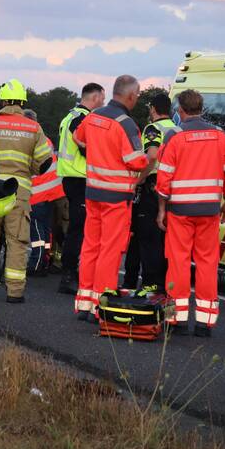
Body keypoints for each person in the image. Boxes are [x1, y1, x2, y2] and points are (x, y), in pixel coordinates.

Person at [156, 89, 225, 336]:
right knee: (207, 263)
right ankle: (205, 323)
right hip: (209, 211)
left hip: (180, 211)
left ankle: (174, 320)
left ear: (180, 110)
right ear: (201, 108)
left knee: (178, 263)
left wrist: (161, 210)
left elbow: (164, 178)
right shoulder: (220, 135)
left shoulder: (175, 135)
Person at [73, 75, 153, 320]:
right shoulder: (126, 124)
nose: (138, 99)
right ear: (130, 95)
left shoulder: (94, 116)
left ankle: (84, 303)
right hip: (116, 196)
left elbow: (79, 138)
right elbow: (136, 161)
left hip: (93, 192)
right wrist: (150, 157)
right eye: (138, 95)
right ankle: (101, 303)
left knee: (90, 246)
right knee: (110, 250)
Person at [0, 80, 52, 302]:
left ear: (3, 100)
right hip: (19, 192)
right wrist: (29, 168)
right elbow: (45, 162)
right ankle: (15, 292)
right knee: (17, 242)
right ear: (23, 102)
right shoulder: (33, 127)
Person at [122, 92, 178, 295]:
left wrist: (139, 179)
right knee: (163, 239)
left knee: (146, 238)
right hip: (173, 189)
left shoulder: (154, 128)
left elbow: (152, 156)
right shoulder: (178, 130)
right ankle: (160, 283)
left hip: (153, 187)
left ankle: (148, 285)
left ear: (153, 109)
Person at [56, 82, 106, 295]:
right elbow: (86, 146)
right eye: (102, 99)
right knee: (79, 229)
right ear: (94, 98)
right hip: (80, 177)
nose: (103, 103)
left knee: (79, 228)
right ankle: (69, 275)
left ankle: (73, 272)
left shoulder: (70, 115)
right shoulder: (82, 119)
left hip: (71, 177)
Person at [24, 109, 64, 277]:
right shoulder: (45, 139)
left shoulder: (30, 139)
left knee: (37, 231)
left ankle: (37, 263)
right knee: (46, 229)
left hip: (38, 192)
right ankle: (45, 258)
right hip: (52, 191)